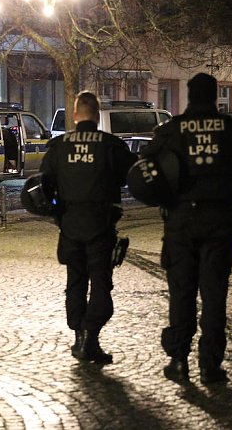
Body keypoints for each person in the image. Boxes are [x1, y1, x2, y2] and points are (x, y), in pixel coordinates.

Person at [140, 73, 232, 384]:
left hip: (181, 223)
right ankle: (210, 365)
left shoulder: (170, 131)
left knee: (181, 292)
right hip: (220, 222)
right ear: (214, 97)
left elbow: (144, 172)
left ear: (189, 96)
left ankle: (179, 360)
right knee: (214, 296)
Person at [40, 91, 137, 364]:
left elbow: (43, 185)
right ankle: (90, 336)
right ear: (97, 116)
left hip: (69, 224)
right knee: (101, 284)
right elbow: (131, 177)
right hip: (101, 224)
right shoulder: (111, 145)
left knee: (75, 282)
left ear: (74, 115)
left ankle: (80, 337)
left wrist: (57, 212)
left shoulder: (59, 145)